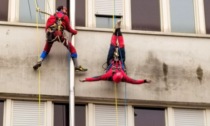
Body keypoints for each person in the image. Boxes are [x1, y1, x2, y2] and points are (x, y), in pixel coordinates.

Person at [33, 6, 87, 71]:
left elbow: (47, 28)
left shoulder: (51, 17)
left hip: (51, 35)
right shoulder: (65, 17)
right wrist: (75, 32)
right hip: (60, 36)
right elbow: (69, 29)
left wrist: (49, 35)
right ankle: (77, 66)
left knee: (46, 50)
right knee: (72, 49)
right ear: (61, 9)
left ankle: (40, 61)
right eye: (65, 10)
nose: (66, 12)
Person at [80, 47, 151, 84]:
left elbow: (97, 78)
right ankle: (120, 40)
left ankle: (114, 42)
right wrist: (144, 81)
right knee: (122, 50)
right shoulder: (124, 76)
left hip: (111, 60)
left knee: (112, 47)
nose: (117, 71)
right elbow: (134, 81)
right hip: (121, 61)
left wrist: (86, 80)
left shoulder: (108, 75)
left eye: (117, 72)